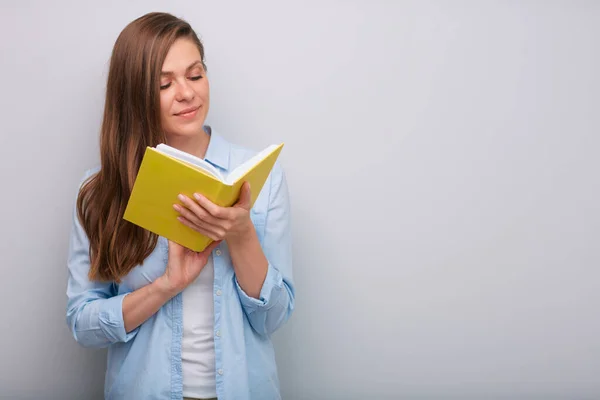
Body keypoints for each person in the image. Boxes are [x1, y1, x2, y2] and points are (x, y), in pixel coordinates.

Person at [65, 11, 295, 400]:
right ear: (135, 94)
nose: (187, 93)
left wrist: (240, 235)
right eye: (163, 84)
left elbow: (273, 317)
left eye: (195, 74)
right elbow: (82, 323)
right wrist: (166, 287)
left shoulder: (259, 177)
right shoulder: (102, 190)